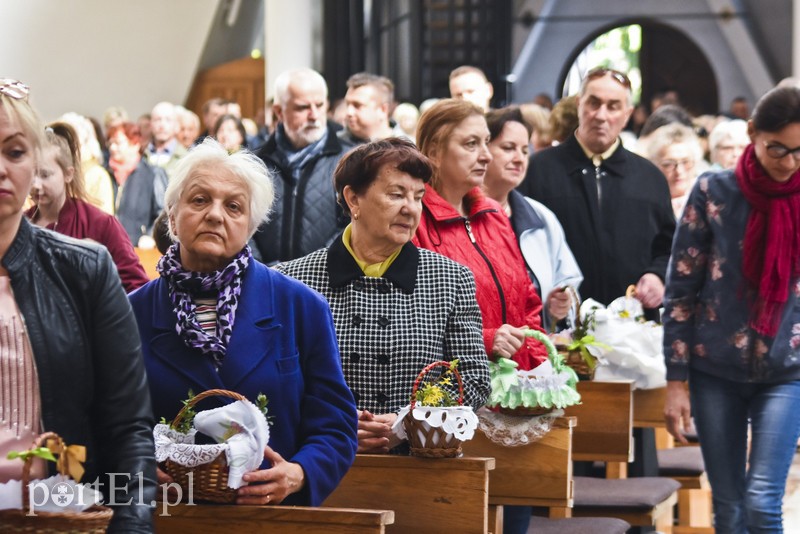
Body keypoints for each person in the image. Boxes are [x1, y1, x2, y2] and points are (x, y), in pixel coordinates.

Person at [128, 138, 357, 506]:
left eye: (233, 206)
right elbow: (108, 420)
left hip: (271, 515)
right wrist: (133, 464)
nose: (215, 215)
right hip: (171, 514)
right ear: (171, 216)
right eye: (199, 200)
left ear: (251, 226)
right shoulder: (131, 314)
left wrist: (300, 473)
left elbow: (335, 424)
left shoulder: (300, 306)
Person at [0, 78, 155, 530]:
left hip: (58, 515)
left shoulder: (85, 268)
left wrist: (132, 524)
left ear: (36, 164)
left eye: (14, 152)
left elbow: (127, 425)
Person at [276, 138, 490, 453]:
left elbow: (474, 379)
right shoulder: (294, 280)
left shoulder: (450, 279)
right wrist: (334, 422)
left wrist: (411, 421)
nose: (410, 208)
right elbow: (278, 381)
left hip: (419, 461)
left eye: (418, 197)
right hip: (320, 458)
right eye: (396, 194)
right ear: (353, 199)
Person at [664, 85, 800, 532]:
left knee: (762, 501)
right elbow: (682, 287)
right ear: (752, 133)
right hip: (714, 368)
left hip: (788, 368)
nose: (789, 162)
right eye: (777, 148)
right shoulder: (713, 191)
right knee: (729, 507)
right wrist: (675, 380)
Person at [520, 67, 676, 314]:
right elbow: (518, 246)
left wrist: (658, 275)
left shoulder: (650, 177)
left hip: (633, 321)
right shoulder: (537, 170)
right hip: (560, 320)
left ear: (627, 114)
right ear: (579, 105)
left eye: (613, 106)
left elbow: (669, 247)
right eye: (593, 103)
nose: (601, 115)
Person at [413, 99, 548, 373]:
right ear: (434, 152)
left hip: (516, 388)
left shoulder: (494, 214)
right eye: (471, 144)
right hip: (455, 389)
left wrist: (538, 369)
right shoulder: (415, 222)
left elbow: (528, 304)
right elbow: (414, 324)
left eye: (486, 142)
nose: (486, 156)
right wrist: (485, 340)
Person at [484, 107, 583, 332]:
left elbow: (568, 279)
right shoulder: (460, 216)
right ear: (482, 151)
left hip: (537, 346)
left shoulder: (540, 216)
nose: (519, 159)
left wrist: (561, 302)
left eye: (525, 150)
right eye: (508, 148)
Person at [26, 122, 149, 292]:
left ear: (68, 174)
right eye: (29, 174)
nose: (35, 184)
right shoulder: (19, 225)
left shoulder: (100, 224)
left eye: (45, 175)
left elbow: (138, 288)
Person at [254, 68, 350, 264]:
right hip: (265, 275)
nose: (314, 115)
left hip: (324, 276)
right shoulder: (255, 162)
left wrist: (312, 268)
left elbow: (354, 224)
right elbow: (240, 221)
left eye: (320, 105)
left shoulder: (350, 159)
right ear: (279, 112)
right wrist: (259, 269)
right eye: (302, 107)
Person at [106, 121, 168, 245]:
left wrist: (151, 235)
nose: (112, 147)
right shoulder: (106, 173)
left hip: (139, 246)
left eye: (117, 143)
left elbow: (164, 212)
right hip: (111, 245)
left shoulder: (152, 173)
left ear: (135, 144)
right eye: (110, 143)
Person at [645, 123, 705, 219]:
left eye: (686, 162)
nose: (679, 171)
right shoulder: (646, 202)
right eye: (668, 164)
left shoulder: (706, 201)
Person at [338, 72, 405, 145]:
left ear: (383, 110)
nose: (349, 112)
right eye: (347, 104)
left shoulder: (406, 147)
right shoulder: (334, 145)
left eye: (357, 105)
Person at [145, 101, 187, 179]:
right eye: (157, 119)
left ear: (176, 125)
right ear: (151, 124)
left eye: (168, 120)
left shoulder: (185, 158)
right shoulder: (140, 153)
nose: (162, 125)